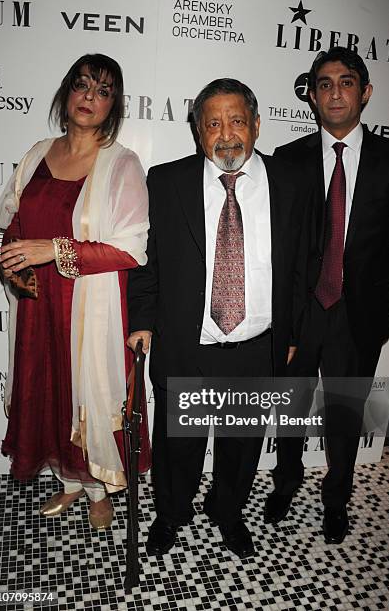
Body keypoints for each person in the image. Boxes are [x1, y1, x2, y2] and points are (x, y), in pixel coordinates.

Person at [127, 78, 311, 558]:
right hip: (190, 341)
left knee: (241, 446)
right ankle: (171, 514)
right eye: (213, 123)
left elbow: (302, 263)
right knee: (179, 448)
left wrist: (292, 332)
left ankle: (227, 512)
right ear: (197, 131)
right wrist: (143, 319)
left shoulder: (291, 181)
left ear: (255, 124)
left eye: (236, 120)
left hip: (257, 345)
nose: (226, 134)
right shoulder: (165, 182)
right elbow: (149, 262)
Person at [265, 46, 389, 544]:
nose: (335, 92)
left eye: (346, 82)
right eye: (324, 83)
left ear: (365, 92)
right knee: (289, 408)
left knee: (347, 414)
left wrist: (354, 286)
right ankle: (285, 482)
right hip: (298, 312)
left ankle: (338, 498)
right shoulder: (286, 161)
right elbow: (282, 242)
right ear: (310, 94)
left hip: (358, 312)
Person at [0, 53, 151, 529]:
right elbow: (13, 225)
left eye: (104, 91)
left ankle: (99, 489)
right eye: (83, 85)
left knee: (89, 392)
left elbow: (129, 250)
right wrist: (18, 265)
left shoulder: (122, 164)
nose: (90, 97)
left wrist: (52, 250)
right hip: (38, 307)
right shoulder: (37, 154)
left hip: (90, 309)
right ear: (66, 92)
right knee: (50, 391)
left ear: (114, 106)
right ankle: (69, 483)